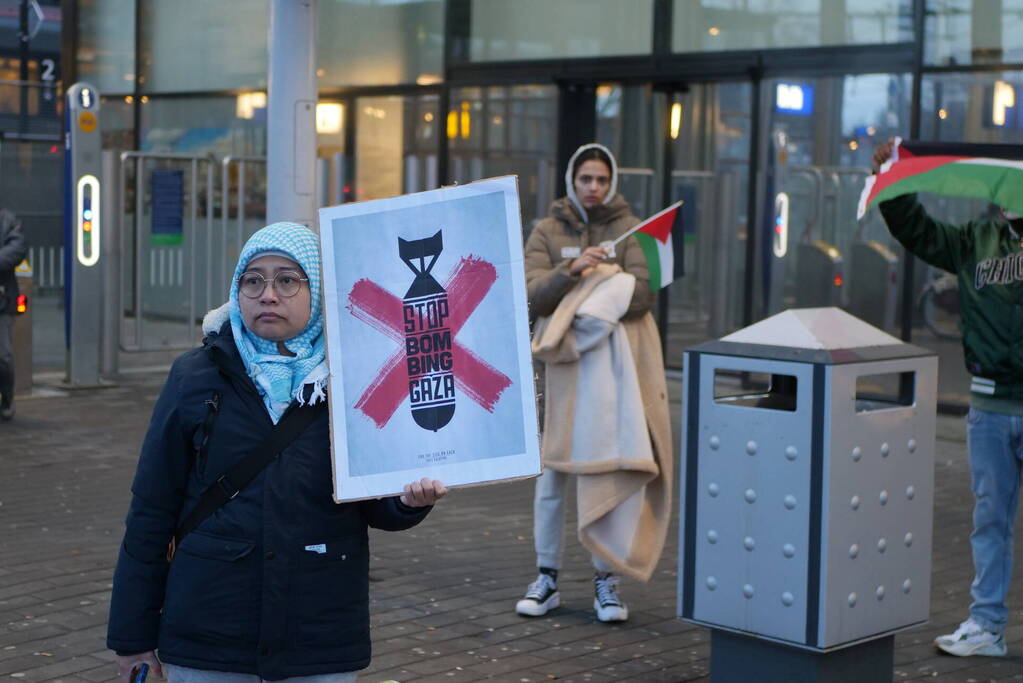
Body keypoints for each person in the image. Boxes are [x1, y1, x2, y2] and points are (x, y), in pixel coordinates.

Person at [106, 222, 447, 682]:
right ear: (237, 289)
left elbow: (374, 504)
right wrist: (132, 639)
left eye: (288, 279)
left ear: (319, 290)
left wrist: (407, 502)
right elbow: (151, 510)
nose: (268, 294)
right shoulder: (194, 377)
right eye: (253, 280)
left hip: (319, 634)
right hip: (208, 631)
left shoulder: (357, 377)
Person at [873, 139, 1023, 657]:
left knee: (993, 522)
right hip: (989, 408)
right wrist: (894, 184)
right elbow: (917, 230)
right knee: (990, 521)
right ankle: (986, 626)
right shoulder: (975, 240)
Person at [517, 143, 673, 623]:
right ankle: (546, 578)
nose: (594, 187)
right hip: (556, 376)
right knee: (551, 480)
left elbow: (644, 294)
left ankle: (607, 581)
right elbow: (530, 294)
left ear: (613, 182)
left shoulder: (632, 231)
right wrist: (574, 271)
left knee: (605, 475)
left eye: (602, 179)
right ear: (572, 180)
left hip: (610, 379)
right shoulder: (547, 229)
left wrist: (603, 279)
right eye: (585, 178)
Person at [0, 208, 26, 421]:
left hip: (3, 299)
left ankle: (6, 397)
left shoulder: (7, 219)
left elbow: (18, 248)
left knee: (3, 356)